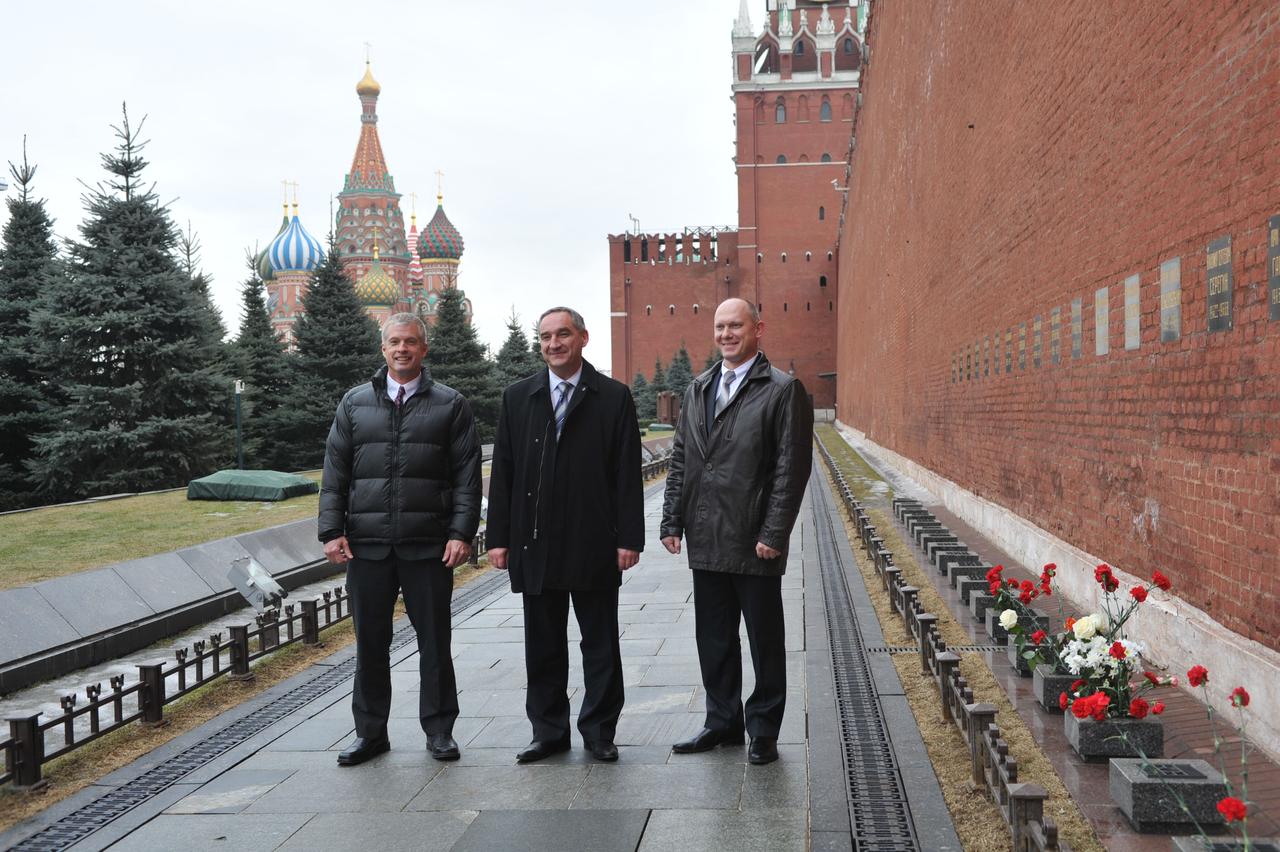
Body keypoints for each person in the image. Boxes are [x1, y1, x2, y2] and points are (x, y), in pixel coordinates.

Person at [319, 312, 482, 766]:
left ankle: (440, 731)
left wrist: (461, 532)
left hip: (427, 545)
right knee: (370, 643)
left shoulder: (451, 404)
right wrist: (331, 530)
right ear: (383, 349)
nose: (402, 349)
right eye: (394, 342)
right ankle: (370, 733)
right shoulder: (354, 403)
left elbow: (468, 477)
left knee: (434, 642)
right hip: (368, 546)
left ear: (423, 349)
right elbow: (335, 473)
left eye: (410, 342)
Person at [486, 306, 644, 763]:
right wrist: (499, 537)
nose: (553, 344)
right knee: (543, 645)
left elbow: (626, 473)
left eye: (563, 335)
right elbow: (505, 474)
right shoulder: (519, 397)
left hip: (593, 540)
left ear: (583, 338)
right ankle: (548, 731)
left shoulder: (613, 397)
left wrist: (628, 538)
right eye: (545, 337)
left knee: (599, 644)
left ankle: (599, 732)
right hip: (535, 544)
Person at [661, 297, 813, 765]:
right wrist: (671, 520)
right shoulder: (699, 388)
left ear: (757, 329)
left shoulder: (783, 390)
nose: (726, 334)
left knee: (765, 641)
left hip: (754, 540)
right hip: (706, 534)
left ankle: (763, 729)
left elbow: (792, 468)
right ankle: (721, 721)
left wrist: (775, 532)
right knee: (714, 638)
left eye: (736, 326)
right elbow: (682, 458)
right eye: (720, 327)